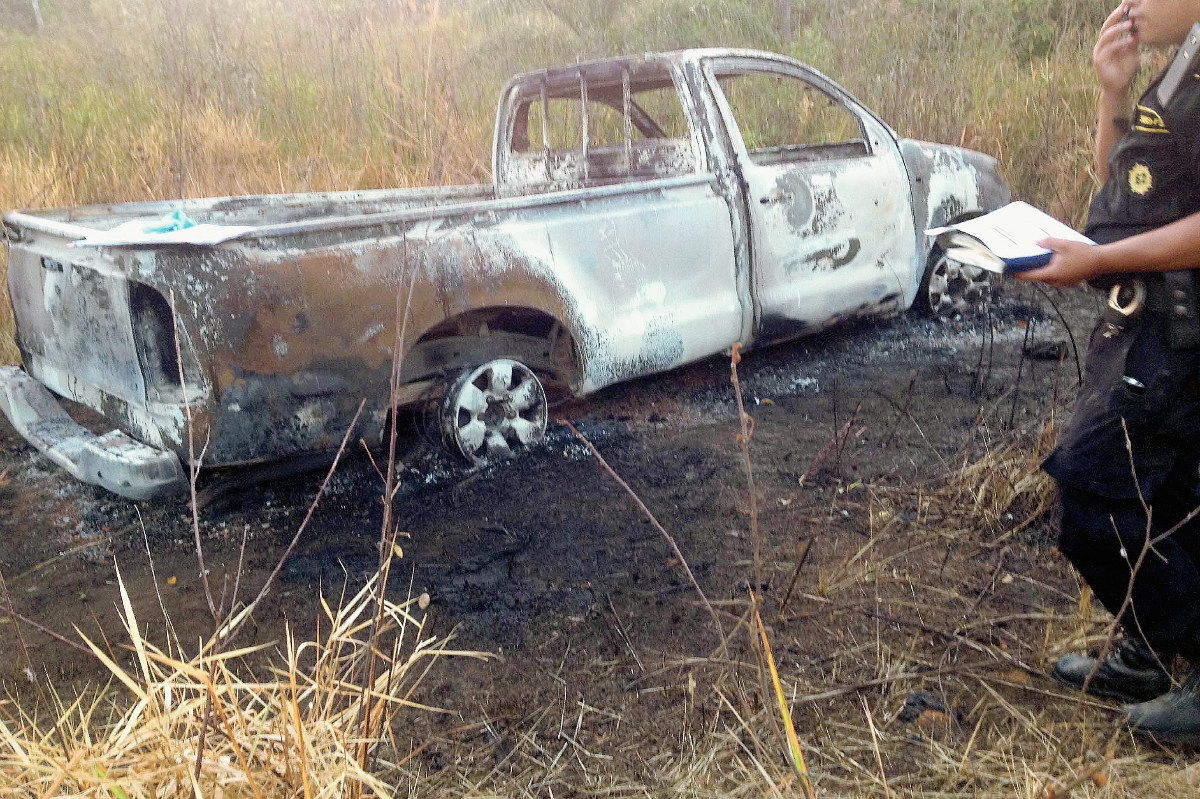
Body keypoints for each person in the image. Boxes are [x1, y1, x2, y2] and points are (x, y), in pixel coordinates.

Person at [1015, 0, 1200, 743]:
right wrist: (1113, 93)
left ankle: (1180, 649)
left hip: (1179, 332)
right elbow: (1122, 194)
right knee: (1178, 500)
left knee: (1090, 496)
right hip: (1146, 324)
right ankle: (1156, 653)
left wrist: (1099, 261)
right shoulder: (1182, 62)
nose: (1130, 3)